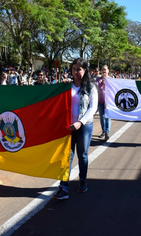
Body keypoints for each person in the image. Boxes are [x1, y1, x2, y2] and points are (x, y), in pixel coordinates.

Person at [53, 58, 98, 200]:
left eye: (79, 69)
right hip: (68, 127)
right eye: (74, 69)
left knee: (82, 154)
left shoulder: (91, 86)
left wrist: (81, 122)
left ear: (85, 70)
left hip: (84, 126)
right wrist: (62, 86)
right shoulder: (67, 85)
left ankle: (83, 180)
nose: (76, 72)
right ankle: (63, 187)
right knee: (67, 156)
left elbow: (93, 108)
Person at [96, 65, 111, 141]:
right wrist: (102, 82)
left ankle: (107, 133)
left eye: (105, 69)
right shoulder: (98, 80)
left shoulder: (111, 80)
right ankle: (103, 131)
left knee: (107, 117)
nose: (104, 71)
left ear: (108, 70)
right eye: (102, 69)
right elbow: (96, 89)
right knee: (102, 117)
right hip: (100, 101)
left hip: (108, 102)